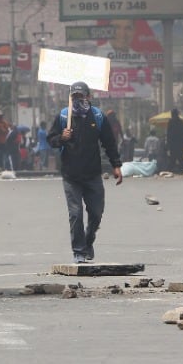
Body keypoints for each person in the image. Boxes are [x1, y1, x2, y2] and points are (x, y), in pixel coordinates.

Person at [46, 81, 122, 264]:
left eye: (81, 96)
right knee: (76, 214)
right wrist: (62, 137)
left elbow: (109, 143)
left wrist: (116, 165)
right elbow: (51, 139)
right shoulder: (64, 116)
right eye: (74, 96)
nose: (78, 99)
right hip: (71, 175)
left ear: (88, 96)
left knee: (96, 212)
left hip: (92, 174)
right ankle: (79, 251)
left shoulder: (98, 116)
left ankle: (88, 240)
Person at [165, 108, 183, 173]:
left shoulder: (172, 122)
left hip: (175, 143)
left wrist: (168, 142)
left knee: (175, 157)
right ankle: (179, 169)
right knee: (177, 157)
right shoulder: (179, 122)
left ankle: (173, 169)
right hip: (178, 143)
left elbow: (168, 133)